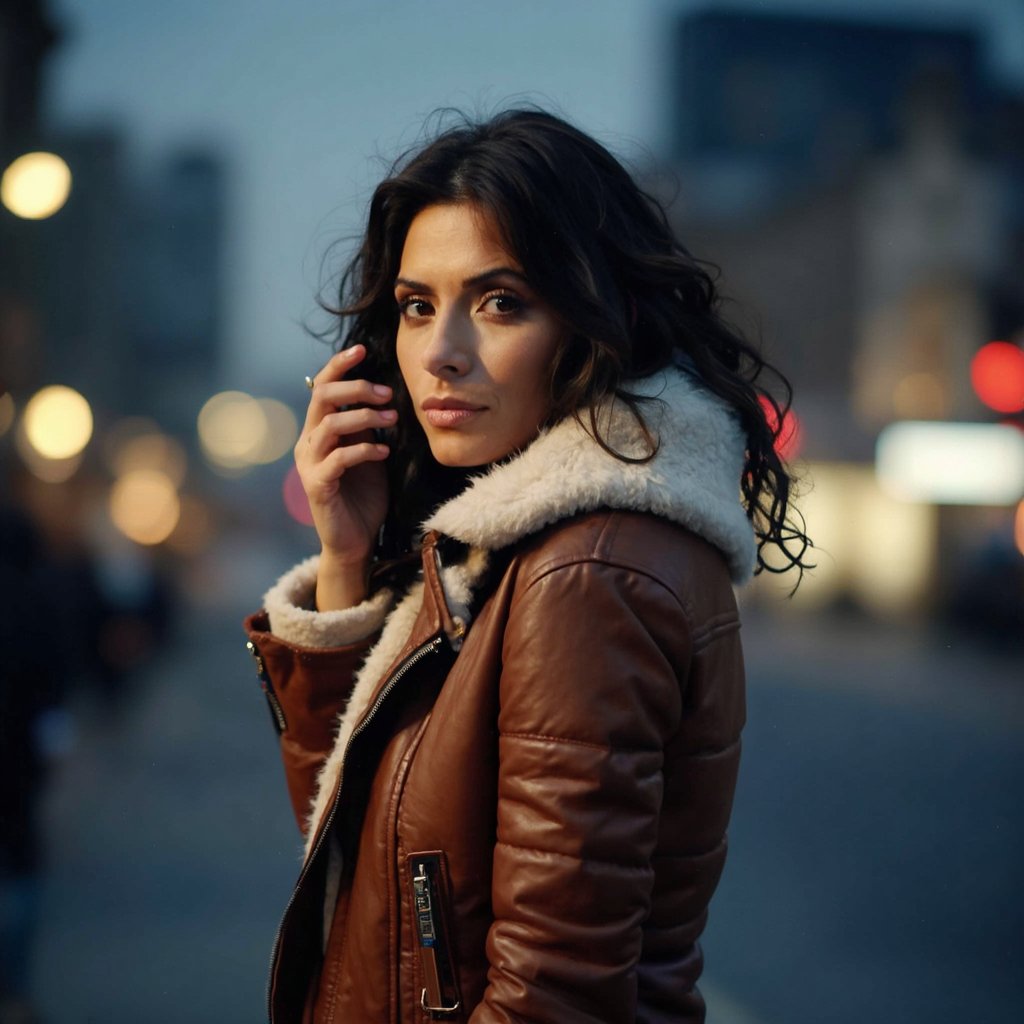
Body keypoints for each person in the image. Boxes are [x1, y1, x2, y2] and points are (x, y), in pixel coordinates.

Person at [244, 108, 809, 1023]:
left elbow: (556, 998)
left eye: (501, 302)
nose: (440, 353)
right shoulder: (514, 550)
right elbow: (358, 860)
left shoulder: (585, 574)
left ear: (595, 318)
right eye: (417, 304)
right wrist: (346, 561)